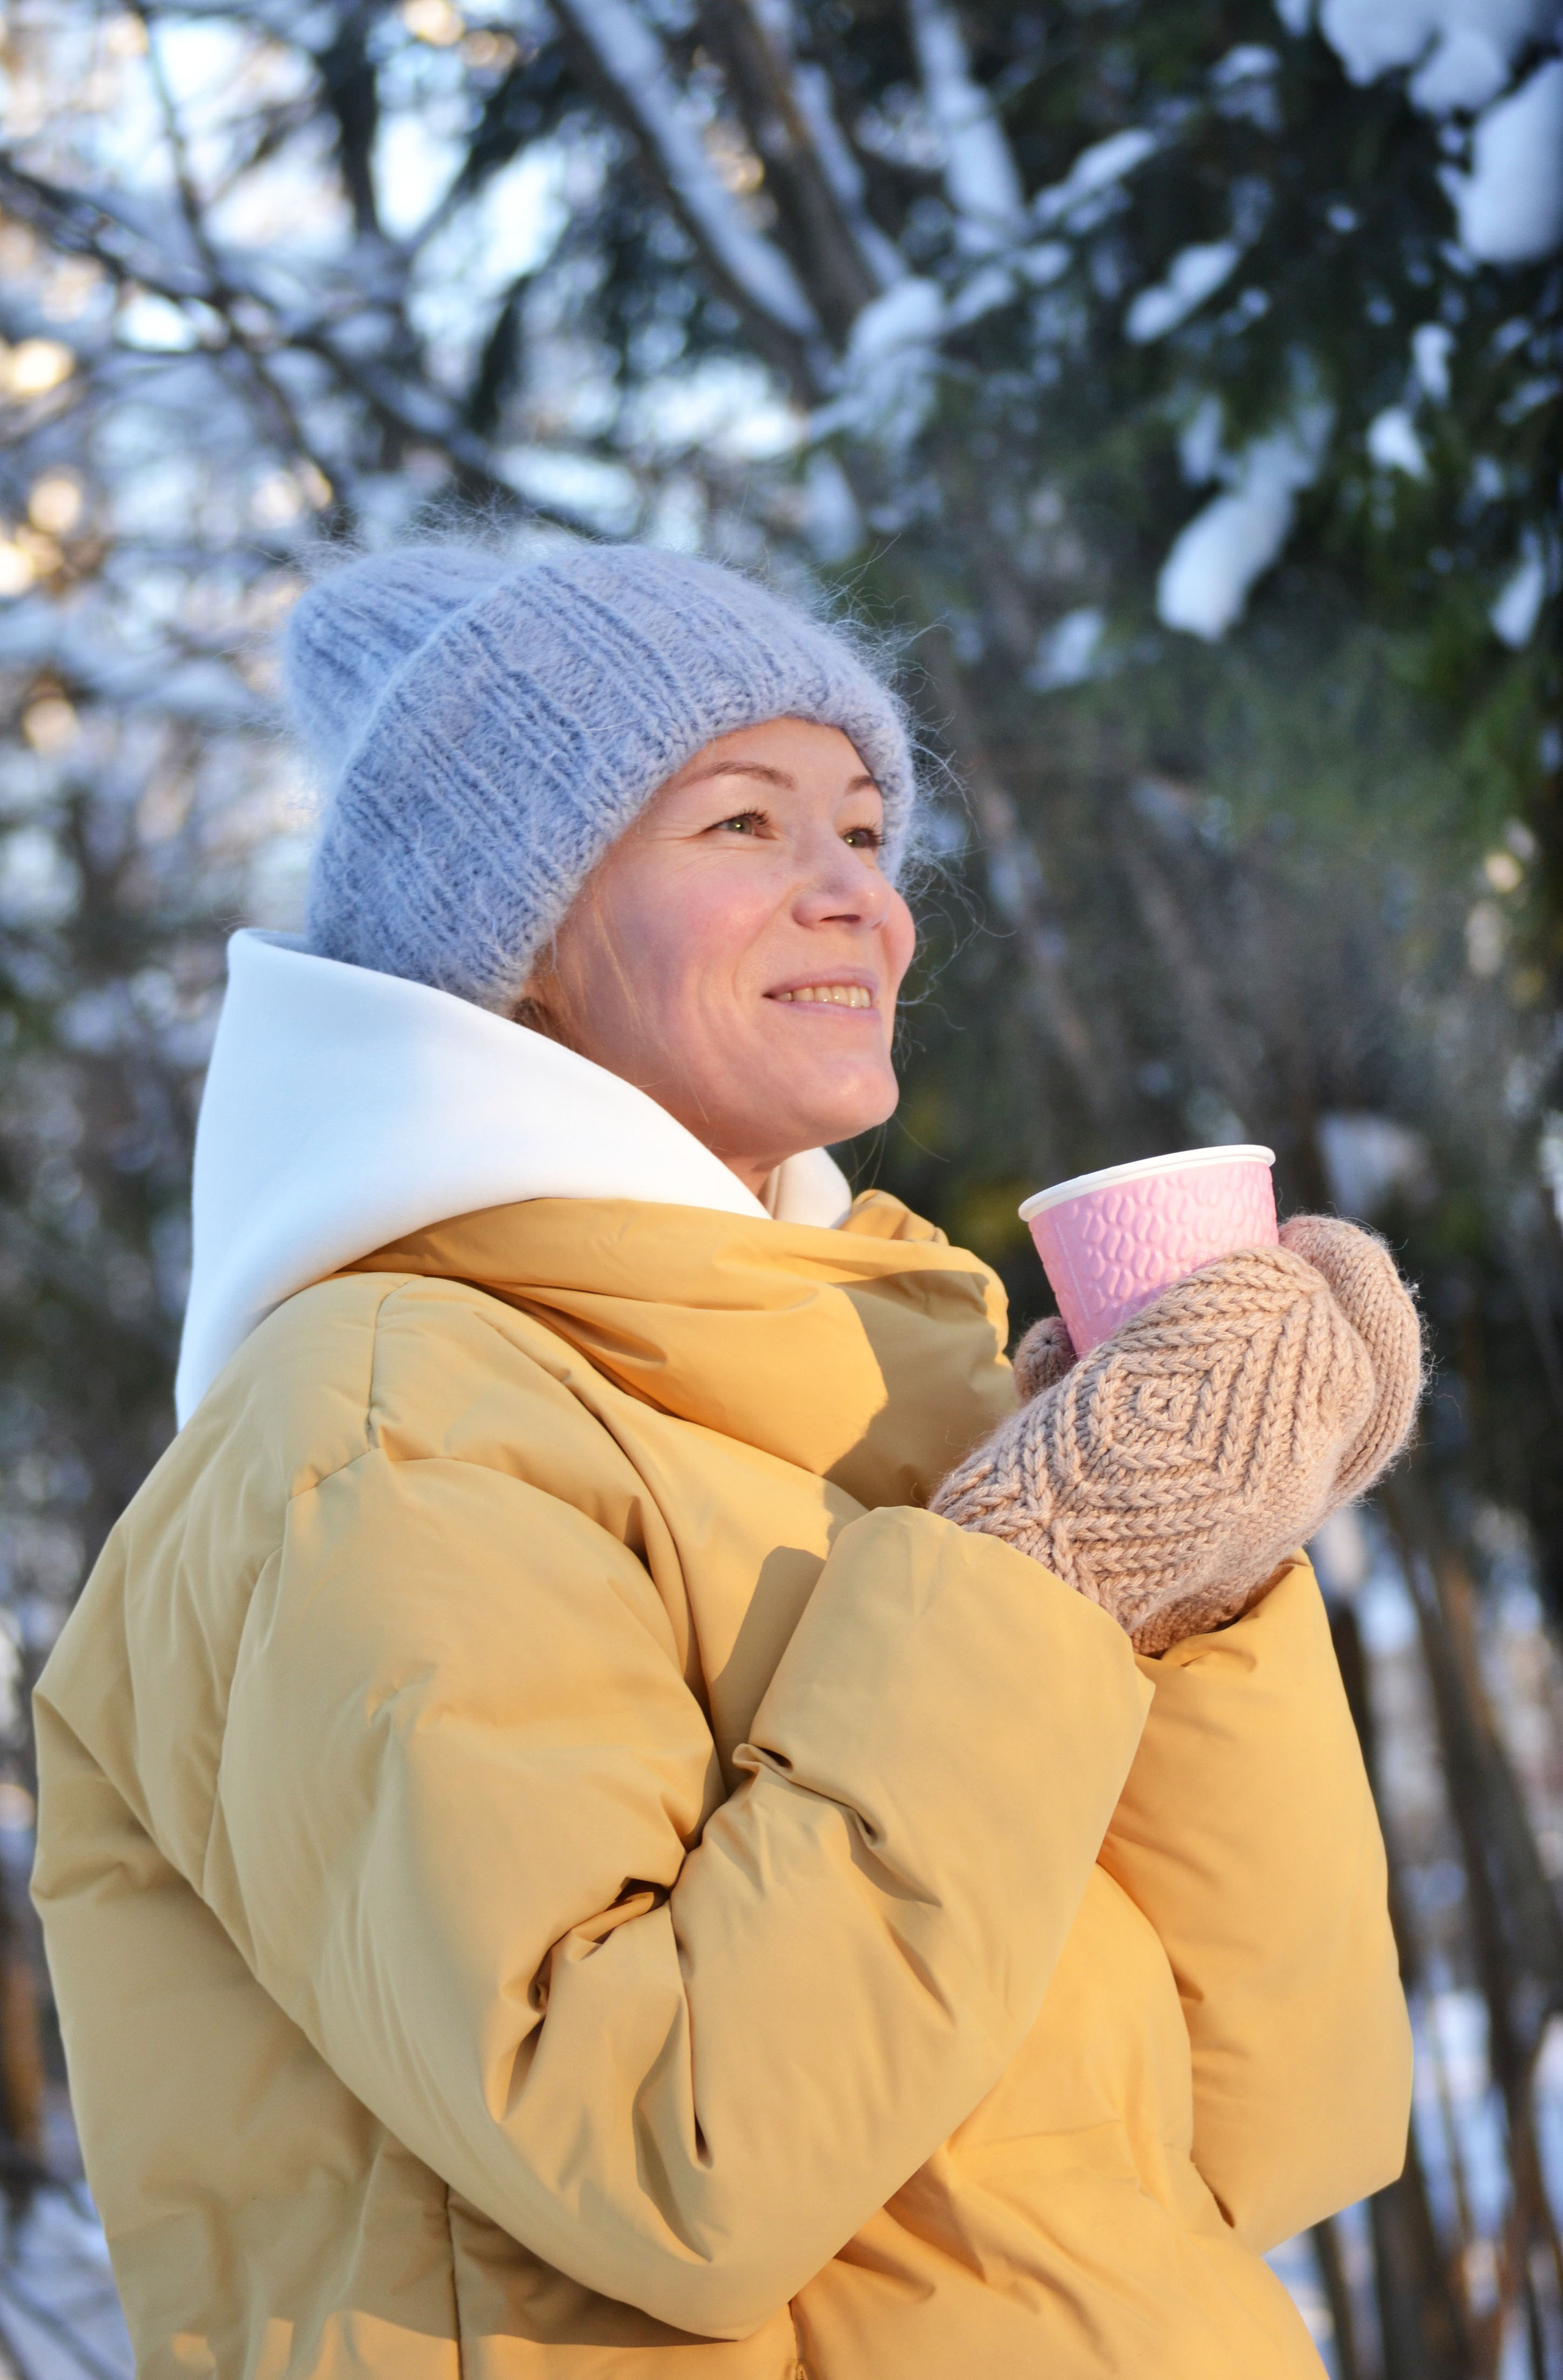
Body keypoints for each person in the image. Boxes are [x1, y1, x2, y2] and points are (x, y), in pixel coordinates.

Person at [32, 542, 1418, 2380]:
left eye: (865, 830)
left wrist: (1199, 1571)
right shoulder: (368, 1433)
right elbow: (678, 2157)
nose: (860, 896)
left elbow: (1274, 2133)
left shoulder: (878, 1396)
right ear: (511, 935)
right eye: (748, 824)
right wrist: (1043, 1568)